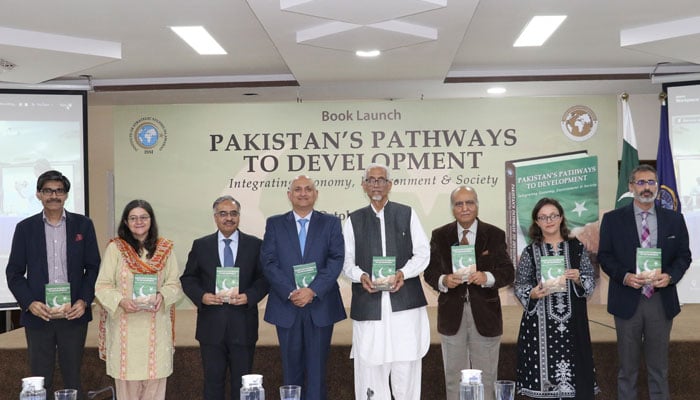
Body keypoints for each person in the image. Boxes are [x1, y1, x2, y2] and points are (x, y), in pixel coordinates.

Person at [598, 164, 691, 400]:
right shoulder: (612, 220)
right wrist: (625, 277)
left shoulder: (674, 219)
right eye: (641, 182)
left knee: (659, 369)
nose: (646, 187)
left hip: (660, 301)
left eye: (651, 182)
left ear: (657, 186)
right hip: (627, 300)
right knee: (627, 369)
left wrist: (669, 276)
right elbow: (605, 256)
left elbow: (684, 256)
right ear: (631, 186)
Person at [6, 170, 101, 398]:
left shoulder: (83, 225)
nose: (54, 195)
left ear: (66, 195)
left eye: (59, 190)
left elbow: (94, 267)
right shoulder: (25, 228)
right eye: (48, 191)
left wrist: (84, 301)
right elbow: (14, 273)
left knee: (72, 377)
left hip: (73, 315)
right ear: (39, 194)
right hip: (40, 315)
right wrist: (29, 303)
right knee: (41, 379)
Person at [342, 163, 430, 400]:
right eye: (371, 180)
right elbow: (346, 261)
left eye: (381, 180)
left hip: (404, 307)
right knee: (370, 372)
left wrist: (404, 272)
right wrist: (361, 276)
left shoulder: (407, 213)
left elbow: (423, 252)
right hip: (370, 306)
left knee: (406, 371)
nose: (376, 184)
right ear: (364, 185)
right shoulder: (353, 220)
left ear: (390, 185)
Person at [424, 186, 514, 400]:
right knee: (454, 376)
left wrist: (487, 277)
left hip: (486, 315)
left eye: (469, 202)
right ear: (452, 208)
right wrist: (443, 280)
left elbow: (508, 272)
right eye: (459, 203)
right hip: (451, 315)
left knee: (487, 375)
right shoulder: (440, 235)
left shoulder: (494, 234)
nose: (464, 208)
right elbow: (430, 272)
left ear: (477, 205)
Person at [260, 175, 346, 400]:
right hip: (286, 306)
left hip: (320, 304)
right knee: (291, 370)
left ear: (316, 194)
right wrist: (290, 292)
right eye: (297, 189)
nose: (303, 193)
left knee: (318, 371)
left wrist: (312, 290)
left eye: (308, 189)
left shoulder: (331, 223)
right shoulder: (275, 223)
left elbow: (336, 259)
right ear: (289, 195)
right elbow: (268, 262)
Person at [181, 195, 269, 399]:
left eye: (233, 213)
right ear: (215, 217)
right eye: (223, 214)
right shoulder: (201, 245)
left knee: (244, 385)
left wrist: (249, 296)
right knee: (213, 384)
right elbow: (188, 278)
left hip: (243, 326)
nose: (228, 218)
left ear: (239, 216)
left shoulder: (255, 245)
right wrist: (202, 296)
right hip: (211, 328)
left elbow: (265, 279)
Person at [94, 199, 183, 400]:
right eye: (133, 218)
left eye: (143, 217)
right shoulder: (116, 249)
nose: (139, 222)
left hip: (156, 330)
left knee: (155, 387)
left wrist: (163, 296)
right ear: (126, 222)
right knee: (127, 390)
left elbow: (174, 285)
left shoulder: (164, 248)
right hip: (125, 330)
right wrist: (121, 301)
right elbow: (102, 285)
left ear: (151, 220)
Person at [514, 197, 598, 399]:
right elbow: (520, 285)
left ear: (561, 218)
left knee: (577, 380)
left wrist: (579, 278)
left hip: (573, 324)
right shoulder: (530, 251)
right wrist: (532, 293)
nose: (549, 220)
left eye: (553, 215)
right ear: (536, 222)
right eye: (543, 217)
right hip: (539, 327)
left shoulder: (576, 248)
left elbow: (590, 282)